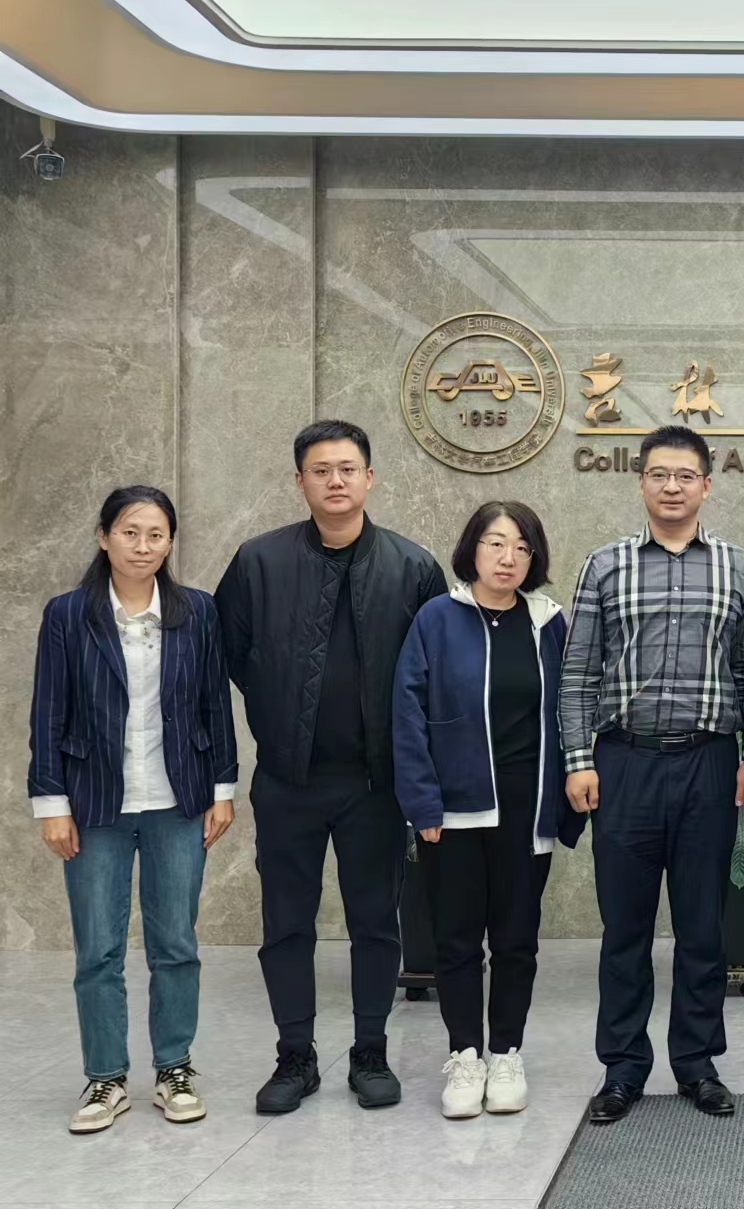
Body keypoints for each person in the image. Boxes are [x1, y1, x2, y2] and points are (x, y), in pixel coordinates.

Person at [215, 421, 447, 1114]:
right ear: (301, 481)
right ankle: (295, 1056)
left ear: (369, 478)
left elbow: (434, 675)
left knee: (376, 921)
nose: (336, 481)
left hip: (376, 784)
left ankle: (370, 1051)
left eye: (348, 468)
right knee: (286, 923)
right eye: (321, 470)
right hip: (288, 781)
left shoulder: (413, 567)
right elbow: (231, 653)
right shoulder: (258, 562)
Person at [560, 424, 744, 1125]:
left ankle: (697, 1064)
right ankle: (622, 1068)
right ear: (641, 481)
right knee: (625, 928)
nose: (672, 487)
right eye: (659, 475)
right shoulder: (605, 565)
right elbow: (578, 674)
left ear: (706, 485)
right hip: (624, 762)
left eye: (685, 476)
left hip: (709, 761)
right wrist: (579, 760)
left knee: (704, 925)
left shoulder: (737, 567)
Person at [28, 486, 238, 1135]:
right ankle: (106, 1077)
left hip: (179, 801)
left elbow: (215, 703)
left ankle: (174, 1068)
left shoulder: (197, 612)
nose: (142, 546)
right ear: (104, 537)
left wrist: (223, 790)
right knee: (98, 949)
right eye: (129, 532)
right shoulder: (69, 615)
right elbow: (48, 711)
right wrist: (51, 803)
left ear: (170, 542)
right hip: (95, 806)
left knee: (175, 944)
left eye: (155, 534)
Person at [393, 501, 583, 1119]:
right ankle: (465, 1055)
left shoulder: (548, 622)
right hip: (454, 810)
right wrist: (422, 802)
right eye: (496, 543)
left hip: (527, 810)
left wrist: (573, 788)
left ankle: (505, 1053)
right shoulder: (437, 619)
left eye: (522, 547)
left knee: (516, 940)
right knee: (454, 941)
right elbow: (408, 713)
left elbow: (572, 706)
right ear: (472, 549)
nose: (508, 558)